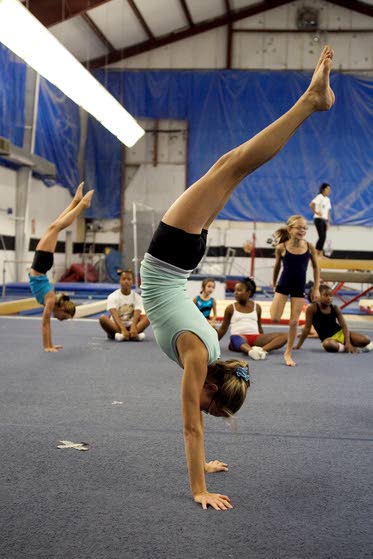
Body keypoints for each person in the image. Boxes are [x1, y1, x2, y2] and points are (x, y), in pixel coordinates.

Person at [140, 46, 335, 510]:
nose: (202, 410)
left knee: (235, 164)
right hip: (171, 257)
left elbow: (195, 424)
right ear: (210, 386)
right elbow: (191, 425)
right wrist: (198, 489)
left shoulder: (207, 354)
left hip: (178, 258)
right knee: (236, 163)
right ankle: (310, 102)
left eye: (210, 409)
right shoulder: (196, 357)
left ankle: (311, 101)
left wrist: (203, 467)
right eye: (211, 404)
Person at [28, 182, 94, 352]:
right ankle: (80, 205)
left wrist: (50, 345)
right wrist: (47, 346)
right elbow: (45, 323)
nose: (60, 319)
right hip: (41, 265)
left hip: (41, 266)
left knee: (54, 226)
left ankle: (76, 202)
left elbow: (46, 323)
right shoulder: (50, 299)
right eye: (63, 318)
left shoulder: (51, 300)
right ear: (61, 309)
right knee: (55, 227)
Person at [270, 215, 320, 367]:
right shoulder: (281, 247)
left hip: (299, 287)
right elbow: (277, 267)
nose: (302, 230)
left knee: (294, 321)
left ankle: (288, 353)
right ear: (290, 229)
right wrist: (273, 284)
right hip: (283, 284)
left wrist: (316, 287)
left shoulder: (309, 246)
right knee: (275, 318)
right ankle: (285, 347)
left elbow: (316, 268)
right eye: (299, 227)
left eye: (305, 228)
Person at [217, 278, 287, 360]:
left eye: (239, 290)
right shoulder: (231, 308)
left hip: (255, 338)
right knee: (234, 338)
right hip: (239, 338)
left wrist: (264, 339)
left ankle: (262, 350)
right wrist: (212, 343)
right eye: (235, 290)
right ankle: (250, 351)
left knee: (285, 336)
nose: (235, 293)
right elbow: (223, 329)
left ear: (248, 292)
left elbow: (259, 326)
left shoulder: (256, 307)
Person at [296, 285, 373, 353]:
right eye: (326, 295)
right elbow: (307, 328)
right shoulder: (312, 308)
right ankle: (344, 348)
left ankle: (345, 346)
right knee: (328, 345)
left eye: (331, 295)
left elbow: (344, 326)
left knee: (365, 340)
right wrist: (298, 345)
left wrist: (348, 342)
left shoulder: (335, 308)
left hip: (341, 334)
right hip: (329, 339)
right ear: (318, 296)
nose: (329, 298)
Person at [98, 269, 149, 341]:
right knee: (102, 318)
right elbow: (114, 316)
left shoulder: (137, 297)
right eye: (124, 279)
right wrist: (123, 329)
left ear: (132, 282)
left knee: (149, 316)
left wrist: (133, 327)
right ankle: (131, 335)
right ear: (120, 281)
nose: (126, 281)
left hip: (132, 326)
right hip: (117, 326)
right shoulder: (112, 296)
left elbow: (137, 314)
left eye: (129, 279)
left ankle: (124, 335)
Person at [309, 182, 331, 257]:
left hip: (324, 220)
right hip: (318, 219)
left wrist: (328, 222)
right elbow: (311, 205)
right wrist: (316, 212)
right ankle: (315, 253)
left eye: (329, 189)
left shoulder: (327, 199)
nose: (329, 191)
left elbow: (328, 211)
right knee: (321, 237)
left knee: (323, 237)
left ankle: (320, 254)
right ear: (323, 189)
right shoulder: (319, 196)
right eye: (327, 189)